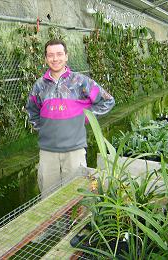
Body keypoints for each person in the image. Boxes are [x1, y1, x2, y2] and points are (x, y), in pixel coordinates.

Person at [26, 39, 115, 197]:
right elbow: (32, 111)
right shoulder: (39, 86)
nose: (55, 59)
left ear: (66, 56)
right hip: (48, 152)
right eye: (51, 55)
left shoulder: (80, 82)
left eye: (59, 54)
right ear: (46, 59)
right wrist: (45, 127)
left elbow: (107, 100)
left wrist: (85, 118)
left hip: (75, 150)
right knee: (48, 198)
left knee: (77, 196)